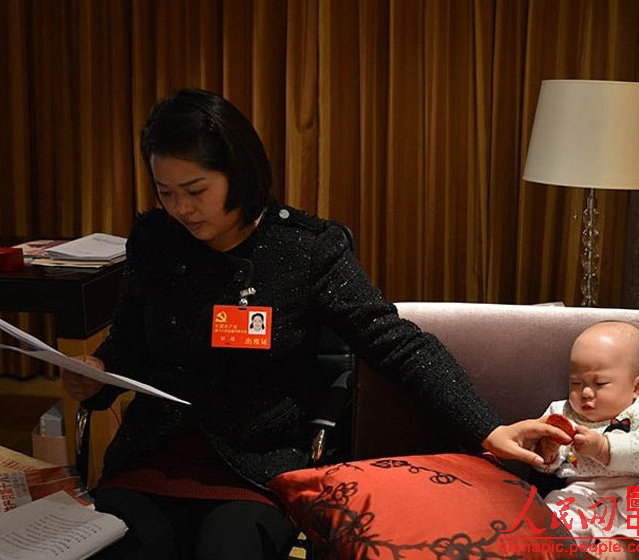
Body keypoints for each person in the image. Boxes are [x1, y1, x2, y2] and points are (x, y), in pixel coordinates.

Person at [62, 87, 567, 560]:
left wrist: (486, 427)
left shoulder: (305, 248)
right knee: (118, 545)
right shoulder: (156, 240)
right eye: (166, 191)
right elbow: (129, 339)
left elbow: (393, 343)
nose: (181, 209)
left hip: (256, 467)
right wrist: (96, 372)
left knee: (228, 548)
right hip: (151, 459)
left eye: (196, 189)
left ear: (239, 173)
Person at [534, 321, 639, 560]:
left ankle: (631, 549)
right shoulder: (560, 412)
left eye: (600, 384)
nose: (585, 392)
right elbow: (549, 465)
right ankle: (569, 551)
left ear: (637, 385)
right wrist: (548, 450)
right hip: (584, 494)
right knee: (554, 502)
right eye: (576, 383)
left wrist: (604, 448)